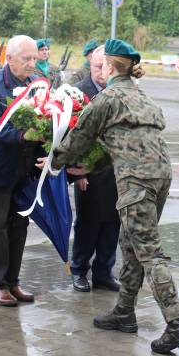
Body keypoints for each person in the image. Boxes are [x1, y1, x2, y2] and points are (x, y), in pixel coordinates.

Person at [52, 39, 179, 354]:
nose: (99, 67)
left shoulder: (107, 99)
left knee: (148, 251)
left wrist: (52, 162)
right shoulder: (141, 97)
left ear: (112, 67)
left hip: (137, 182)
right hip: (160, 176)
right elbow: (119, 145)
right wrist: (88, 167)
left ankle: (177, 324)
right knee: (131, 244)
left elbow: (79, 137)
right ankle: (124, 312)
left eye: (103, 63)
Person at [0, 35, 42, 307]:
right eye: (26, 58)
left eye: (35, 58)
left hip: (23, 170)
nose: (31, 63)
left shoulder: (33, 84)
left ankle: (13, 281)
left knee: (19, 226)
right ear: (9, 59)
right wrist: (24, 136)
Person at [69, 45, 121, 293]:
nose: (102, 71)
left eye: (106, 67)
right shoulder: (79, 93)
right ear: (90, 65)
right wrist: (77, 170)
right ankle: (79, 270)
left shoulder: (118, 91)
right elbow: (70, 136)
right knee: (88, 225)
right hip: (87, 172)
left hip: (115, 171)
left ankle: (104, 272)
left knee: (112, 224)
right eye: (98, 66)